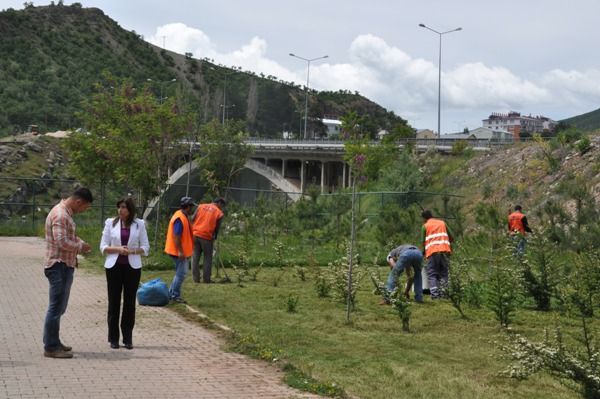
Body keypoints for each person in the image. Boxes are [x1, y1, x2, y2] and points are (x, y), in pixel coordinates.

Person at [43, 187, 93, 359]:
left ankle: (54, 340)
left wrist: (79, 245)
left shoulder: (66, 214)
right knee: (56, 307)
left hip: (65, 264)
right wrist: (80, 247)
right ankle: (50, 346)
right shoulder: (61, 215)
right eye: (84, 207)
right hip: (58, 265)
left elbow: (68, 237)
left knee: (60, 306)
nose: (83, 210)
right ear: (79, 201)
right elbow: (61, 241)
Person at [100, 198, 149, 350]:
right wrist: (118, 250)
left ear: (130, 210)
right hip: (114, 266)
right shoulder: (110, 223)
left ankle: (127, 338)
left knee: (129, 303)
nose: (120, 210)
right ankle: (113, 338)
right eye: (119, 207)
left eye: (123, 207)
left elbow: (145, 247)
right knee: (114, 302)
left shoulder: (139, 224)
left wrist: (131, 251)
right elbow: (103, 246)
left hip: (132, 267)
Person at [165, 196, 195, 303]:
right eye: (191, 206)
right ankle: (174, 295)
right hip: (177, 252)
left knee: (180, 273)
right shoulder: (180, 218)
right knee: (181, 273)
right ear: (187, 207)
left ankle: (171, 294)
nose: (193, 209)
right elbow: (176, 236)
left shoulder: (182, 216)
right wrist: (181, 252)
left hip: (178, 251)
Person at [191, 198, 225, 283]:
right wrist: (215, 236)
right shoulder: (219, 213)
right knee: (207, 257)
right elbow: (217, 227)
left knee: (195, 257)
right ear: (219, 203)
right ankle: (206, 279)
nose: (222, 208)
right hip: (206, 236)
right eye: (222, 206)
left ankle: (196, 278)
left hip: (195, 234)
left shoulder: (201, 206)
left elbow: (192, 218)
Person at [421, 210, 453, 300]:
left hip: (432, 252)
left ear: (424, 218)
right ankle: (444, 293)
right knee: (444, 273)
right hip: (445, 251)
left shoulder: (425, 226)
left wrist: (423, 253)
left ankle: (435, 295)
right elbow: (452, 237)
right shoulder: (442, 223)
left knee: (432, 273)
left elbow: (423, 242)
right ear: (432, 215)